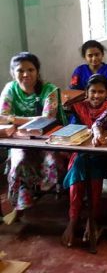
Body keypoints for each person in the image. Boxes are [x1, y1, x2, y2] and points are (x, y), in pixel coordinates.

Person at [0, 52, 66, 214]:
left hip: (48, 139)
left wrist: (13, 119)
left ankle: (50, 189)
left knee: (51, 160)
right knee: (19, 161)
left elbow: (47, 119)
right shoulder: (10, 89)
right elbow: (1, 117)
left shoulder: (49, 90)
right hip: (20, 140)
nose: (25, 74)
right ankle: (21, 204)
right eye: (20, 70)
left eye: (30, 70)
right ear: (12, 73)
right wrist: (32, 119)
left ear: (37, 71)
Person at [61, 74, 107, 247]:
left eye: (101, 92)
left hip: (105, 154)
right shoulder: (78, 107)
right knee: (81, 164)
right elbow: (74, 131)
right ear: (86, 92)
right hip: (82, 152)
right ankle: (76, 219)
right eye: (92, 92)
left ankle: (89, 219)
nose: (96, 96)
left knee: (91, 166)